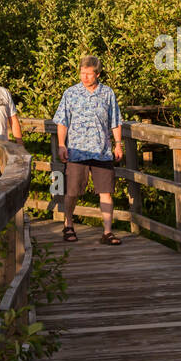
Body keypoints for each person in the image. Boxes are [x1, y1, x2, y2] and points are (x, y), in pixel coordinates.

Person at [53, 55, 124, 244]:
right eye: (82, 73)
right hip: (77, 151)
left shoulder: (107, 93)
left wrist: (118, 144)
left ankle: (107, 232)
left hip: (102, 151)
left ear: (98, 74)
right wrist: (61, 144)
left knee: (106, 191)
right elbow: (62, 121)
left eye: (88, 74)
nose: (84, 77)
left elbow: (115, 121)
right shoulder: (71, 93)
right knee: (72, 191)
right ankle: (68, 225)